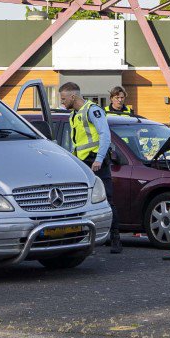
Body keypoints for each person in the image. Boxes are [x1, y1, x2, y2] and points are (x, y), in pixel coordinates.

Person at [60, 81, 121, 253]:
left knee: (107, 199)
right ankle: (83, 241)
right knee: (81, 203)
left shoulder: (92, 110)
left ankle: (115, 237)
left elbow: (105, 135)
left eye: (64, 99)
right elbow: (77, 143)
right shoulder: (73, 115)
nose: (62, 102)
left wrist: (99, 159)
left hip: (96, 162)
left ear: (73, 96)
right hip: (82, 163)